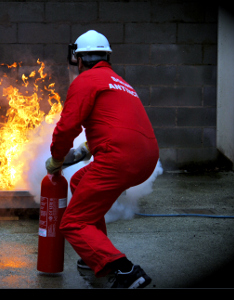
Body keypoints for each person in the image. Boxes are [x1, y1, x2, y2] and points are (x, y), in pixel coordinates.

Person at [45, 30, 159, 288]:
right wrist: (87, 148)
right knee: (79, 181)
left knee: (73, 222)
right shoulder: (120, 82)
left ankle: (124, 270)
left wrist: (56, 159)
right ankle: (92, 256)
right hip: (145, 159)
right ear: (107, 56)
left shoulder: (85, 81)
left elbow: (66, 128)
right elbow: (120, 125)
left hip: (118, 160)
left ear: (79, 59)